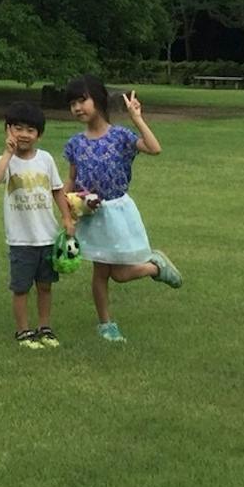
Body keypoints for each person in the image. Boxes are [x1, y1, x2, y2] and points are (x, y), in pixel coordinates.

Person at [62, 75, 181, 343]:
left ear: (99, 100)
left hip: (117, 212)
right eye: (72, 103)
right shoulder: (75, 143)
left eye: (82, 100)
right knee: (100, 272)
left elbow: (154, 148)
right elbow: (71, 178)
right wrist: (67, 209)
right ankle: (106, 324)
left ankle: (155, 266)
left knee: (119, 273)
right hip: (90, 214)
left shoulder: (120, 136)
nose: (77, 108)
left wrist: (136, 118)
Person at [0, 100, 75, 349]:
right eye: (18, 128)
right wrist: (8, 152)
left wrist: (67, 218)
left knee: (45, 286)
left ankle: (44, 327)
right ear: (8, 130)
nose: (24, 135)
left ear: (39, 134)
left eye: (30, 130)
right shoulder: (5, 161)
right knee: (21, 288)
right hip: (21, 240)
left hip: (47, 237)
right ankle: (23, 331)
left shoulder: (46, 159)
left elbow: (57, 190)